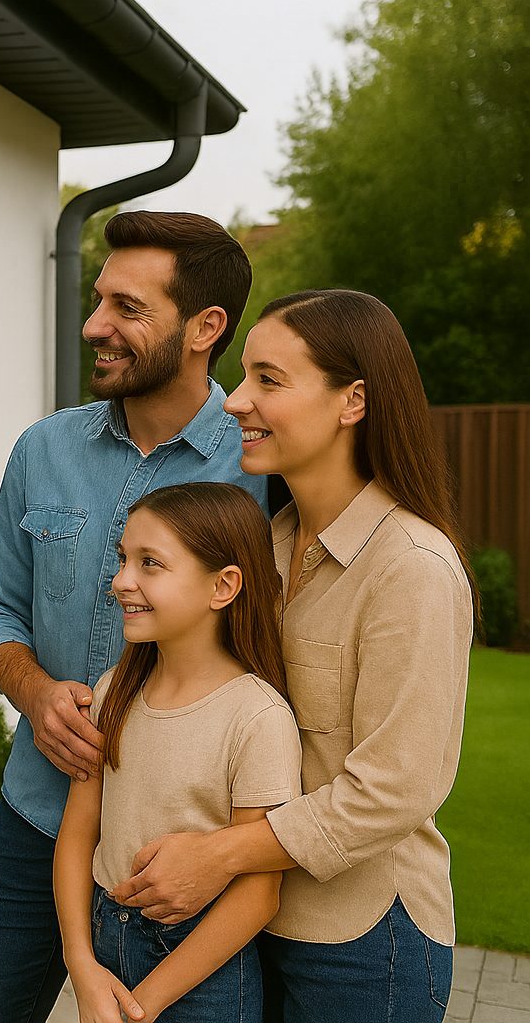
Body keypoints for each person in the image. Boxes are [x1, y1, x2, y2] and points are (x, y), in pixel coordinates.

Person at [112, 290, 476, 1022]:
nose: (235, 401)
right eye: (243, 376)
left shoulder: (412, 567)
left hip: (364, 941)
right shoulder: (267, 549)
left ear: (353, 401)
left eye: (268, 381)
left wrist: (219, 855)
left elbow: (396, 789)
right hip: (253, 922)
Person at [0, 211, 265, 1022]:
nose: (95, 326)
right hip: (34, 822)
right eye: (99, 301)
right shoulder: (43, 450)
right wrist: (33, 691)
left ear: (206, 328)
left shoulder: (265, 468)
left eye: (127, 307)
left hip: (181, 856)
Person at [54, 482, 300, 1023]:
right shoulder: (113, 691)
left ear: (223, 586)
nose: (121, 581)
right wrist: (82, 966)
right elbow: (77, 834)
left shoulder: (257, 718)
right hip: (104, 950)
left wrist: (140, 1007)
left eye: (150, 563)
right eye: (123, 559)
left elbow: (259, 896)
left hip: (201, 976)